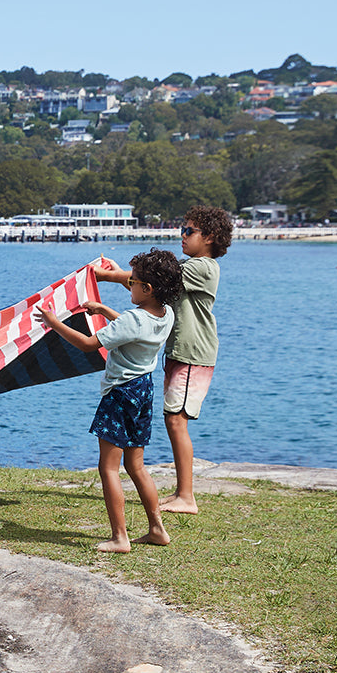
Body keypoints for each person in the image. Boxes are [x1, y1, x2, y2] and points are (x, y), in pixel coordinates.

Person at [36, 249, 182, 554]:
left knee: (108, 468)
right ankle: (157, 528)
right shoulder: (167, 314)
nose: (129, 285)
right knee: (137, 466)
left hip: (121, 393)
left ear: (148, 289)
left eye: (133, 281)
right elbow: (134, 331)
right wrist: (104, 310)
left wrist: (53, 322)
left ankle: (120, 537)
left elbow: (89, 345)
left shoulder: (133, 318)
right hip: (144, 390)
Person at [95, 207, 232, 514]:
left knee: (176, 419)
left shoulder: (205, 268)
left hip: (194, 353)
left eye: (188, 231)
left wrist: (106, 275)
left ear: (209, 238)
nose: (181, 236)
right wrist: (122, 276)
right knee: (174, 419)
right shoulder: (191, 267)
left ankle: (187, 496)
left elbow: (155, 279)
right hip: (179, 351)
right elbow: (151, 286)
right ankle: (183, 493)